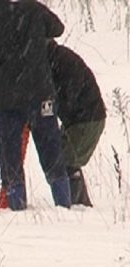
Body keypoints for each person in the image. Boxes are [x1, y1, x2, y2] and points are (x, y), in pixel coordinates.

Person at [0, 0, 71, 210]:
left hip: (7, 102)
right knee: (51, 148)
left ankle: (18, 206)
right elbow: (58, 29)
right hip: (41, 95)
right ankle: (64, 203)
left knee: (10, 155)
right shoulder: (32, 9)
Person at [48, 40, 106, 206]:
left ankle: (77, 205)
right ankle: (78, 204)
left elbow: (69, 93)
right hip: (82, 119)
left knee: (66, 162)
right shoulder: (59, 57)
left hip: (86, 120)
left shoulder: (59, 61)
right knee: (64, 161)